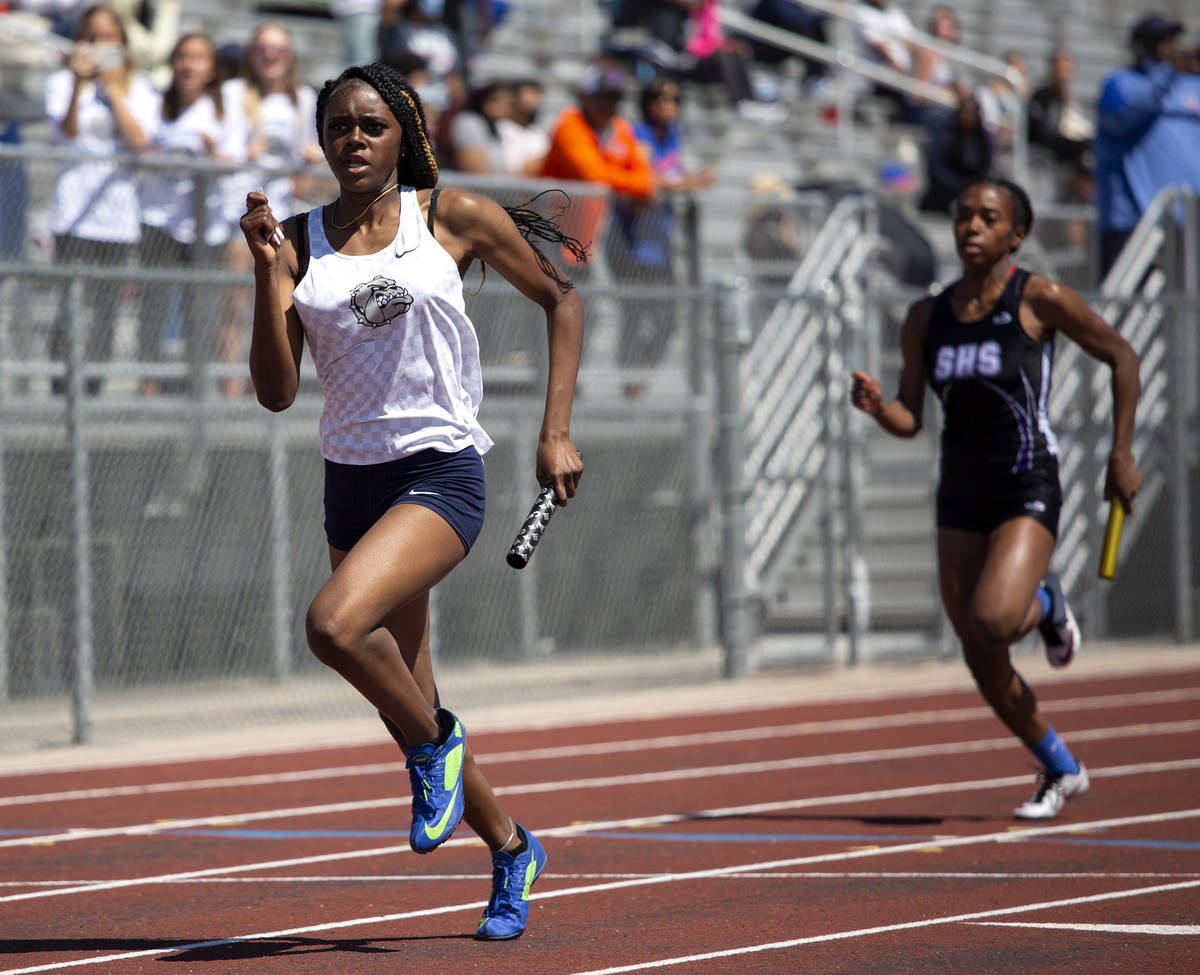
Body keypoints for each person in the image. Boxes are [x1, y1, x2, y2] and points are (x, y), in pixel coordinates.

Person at [238, 61, 584, 939]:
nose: (352, 139)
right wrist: (265, 274)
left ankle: (436, 747)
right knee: (413, 698)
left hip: (438, 472)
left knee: (333, 627)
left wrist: (554, 430)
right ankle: (511, 846)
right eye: (338, 128)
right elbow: (277, 393)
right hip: (349, 485)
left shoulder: (450, 216)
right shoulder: (302, 242)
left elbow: (562, 299)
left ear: (404, 133)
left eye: (370, 125)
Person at [850, 178, 1141, 820]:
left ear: (1017, 233)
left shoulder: (1038, 297)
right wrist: (879, 409)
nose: (971, 227)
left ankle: (1046, 602)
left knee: (996, 618)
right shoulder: (927, 317)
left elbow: (1121, 354)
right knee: (977, 645)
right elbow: (912, 417)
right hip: (960, 487)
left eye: (988, 217)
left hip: (1025, 479)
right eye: (963, 217)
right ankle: (1060, 767)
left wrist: (1121, 453)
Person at [44, 2, 157, 395]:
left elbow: (140, 142)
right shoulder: (62, 82)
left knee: (107, 308)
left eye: (108, 38)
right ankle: (62, 388)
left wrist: (112, 89)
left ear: (122, 43)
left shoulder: (138, 87)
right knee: (70, 306)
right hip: (73, 212)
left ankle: (93, 389)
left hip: (117, 216)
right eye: (92, 38)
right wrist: (79, 83)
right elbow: (68, 133)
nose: (100, 45)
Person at [216, 22, 323, 396]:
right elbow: (221, 152)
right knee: (234, 303)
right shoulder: (233, 93)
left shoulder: (302, 99)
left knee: (278, 300)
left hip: (281, 218)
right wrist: (248, 153)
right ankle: (231, 384)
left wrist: (308, 162)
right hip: (237, 213)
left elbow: (305, 173)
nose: (270, 56)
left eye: (278, 49)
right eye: (263, 48)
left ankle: (268, 381)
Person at [137, 31, 227, 394]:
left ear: (211, 68)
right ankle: (149, 382)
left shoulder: (221, 109)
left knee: (199, 304)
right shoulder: (156, 105)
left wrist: (212, 155)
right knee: (154, 301)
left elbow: (237, 159)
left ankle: (197, 384)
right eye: (183, 57)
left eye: (199, 57)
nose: (189, 65)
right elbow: (138, 148)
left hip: (204, 224)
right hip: (159, 218)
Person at [1094, 13, 1200, 278]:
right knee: (1127, 311)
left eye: (1171, 40)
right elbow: (1129, 115)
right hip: (1135, 224)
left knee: (1183, 312)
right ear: (1141, 46)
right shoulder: (1120, 84)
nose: (1169, 47)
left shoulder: (1189, 86)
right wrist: (1168, 73)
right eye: (1160, 41)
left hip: (1182, 222)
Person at [918, 91, 992, 214]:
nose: (968, 118)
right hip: (943, 192)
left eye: (972, 114)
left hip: (971, 188)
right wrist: (957, 185)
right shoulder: (945, 134)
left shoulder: (983, 138)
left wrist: (973, 184)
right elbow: (936, 166)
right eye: (965, 113)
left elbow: (985, 166)